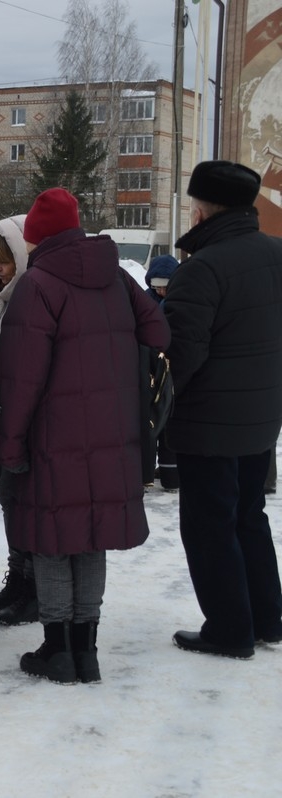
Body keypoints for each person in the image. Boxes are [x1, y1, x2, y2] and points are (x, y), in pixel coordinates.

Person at [0, 188, 169, 684]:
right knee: (92, 539)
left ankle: (58, 650)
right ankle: (86, 652)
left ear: (36, 237)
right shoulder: (117, 276)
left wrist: (10, 444)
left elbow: (22, 379)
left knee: (53, 539)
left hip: (54, 437)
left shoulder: (38, 285)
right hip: (113, 433)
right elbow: (158, 333)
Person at [163, 160, 282, 659]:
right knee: (249, 515)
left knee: (210, 525)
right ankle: (266, 617)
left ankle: (230, 629)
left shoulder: (202, 269)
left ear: (201, 209)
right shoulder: (276, 253)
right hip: (262, 415)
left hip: (209, 422)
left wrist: (160, 406)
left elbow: (181, 355)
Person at [0, 214, 39, 627]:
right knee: (9, 499)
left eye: (5, 261)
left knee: (25, 504)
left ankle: (32, 589)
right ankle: (16, 579)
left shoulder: (30, 298)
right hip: (5, 416)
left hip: (28, 421)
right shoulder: (0, 299)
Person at [143, 254, 180, 492]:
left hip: (172, 369)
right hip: (150, 368)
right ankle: (145, 474)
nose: (161, 291)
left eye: (165, 286)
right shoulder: (146, 300)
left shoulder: (181, 300)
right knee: (150, 422)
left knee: (169, 425)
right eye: (157, 287)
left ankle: (171, 475)